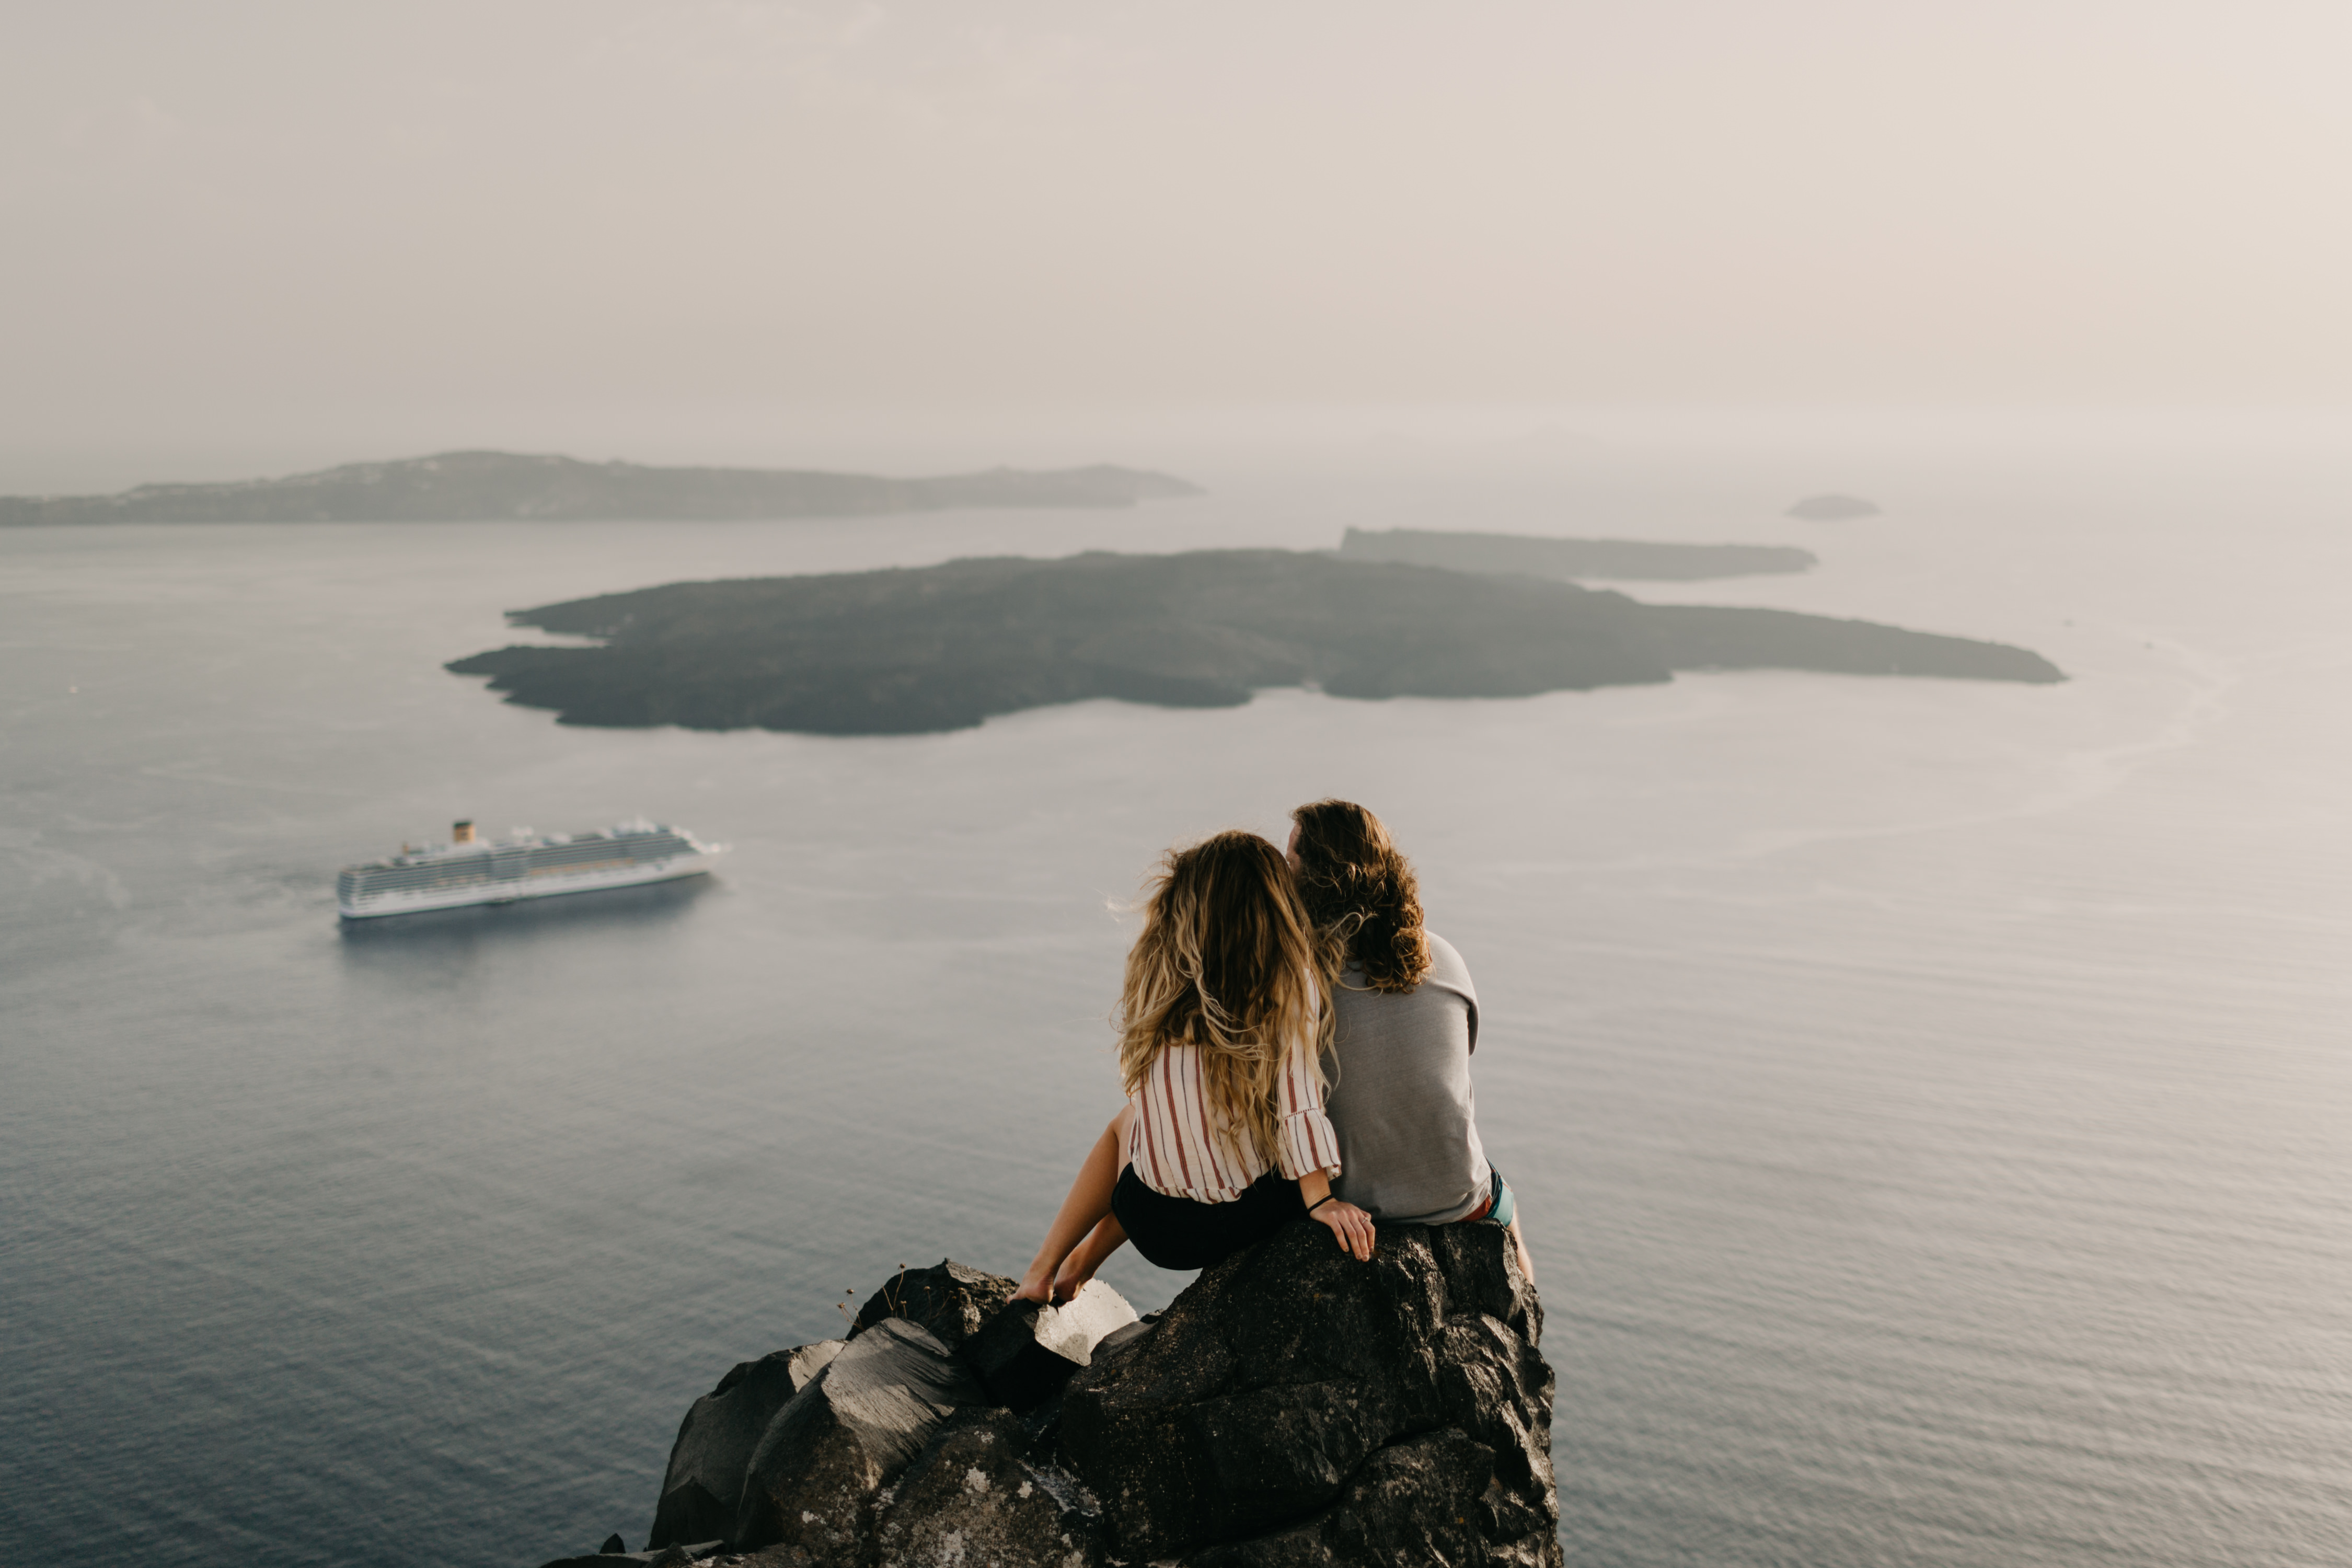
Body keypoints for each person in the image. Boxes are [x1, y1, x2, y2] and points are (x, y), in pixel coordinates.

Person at [1012, 830, 1378, 1304]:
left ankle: (1050, 1269)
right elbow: (1298, 1101)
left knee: (1127, 1126)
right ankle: (1075, 1266)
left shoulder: (1159, 976)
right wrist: (1323, 1201)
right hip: (1243, 1223)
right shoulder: (1289, 977)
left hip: (1156, 1229)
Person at [1286, 799, 1535, 1281]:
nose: (1282, 868)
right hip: (1459, 1199)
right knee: (1511, 1214)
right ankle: (1525, 1323)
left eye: (1291, 858)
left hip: (1356, 1210)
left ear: (1315, 881)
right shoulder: (1441, 955)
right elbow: (1449, 1062)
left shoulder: (1299, 984)